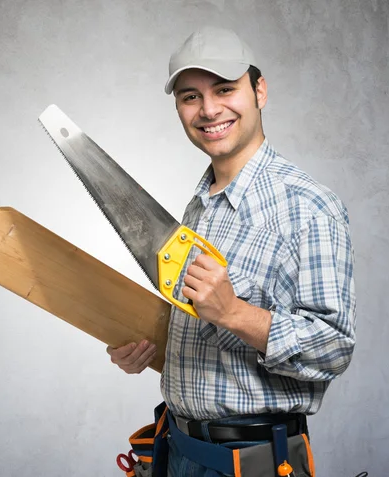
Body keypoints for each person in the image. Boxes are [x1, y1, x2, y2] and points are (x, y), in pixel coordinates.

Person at [107, 26, 356, 476]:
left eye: (225, 89)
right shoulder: (198, 207)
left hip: (251, 460)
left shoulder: (308, 207)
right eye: (190, 96)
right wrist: (150, 348)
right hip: (179, 448)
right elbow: (211, 339)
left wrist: (234, 312)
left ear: (259, 90)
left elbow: (333, 349)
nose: (209, 109)